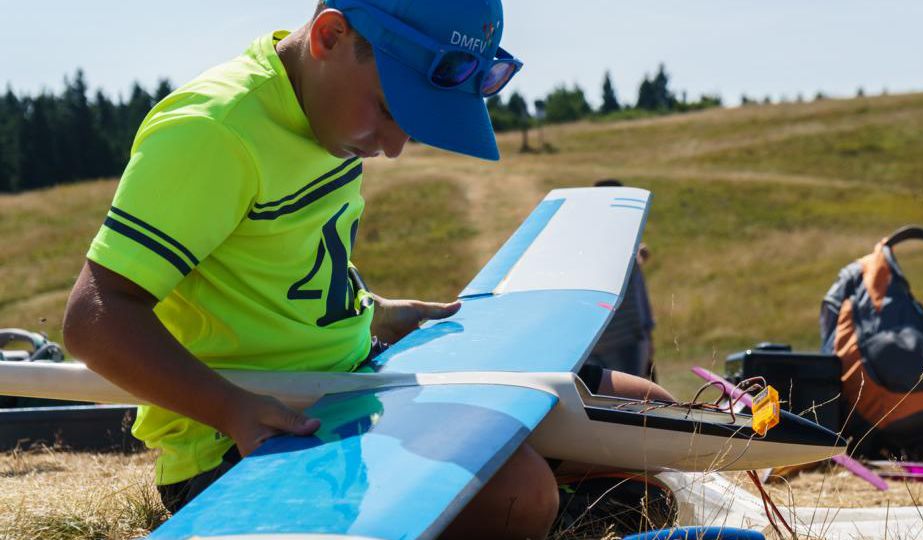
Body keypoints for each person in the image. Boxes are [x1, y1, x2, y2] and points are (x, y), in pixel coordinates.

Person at [60, 2, 669, 538]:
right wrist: (230, 408)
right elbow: (93, 319)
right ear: (331, 36)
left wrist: (375, 313)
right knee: (521, 496)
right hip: (246, 437)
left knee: (647, 412)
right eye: (388, 109)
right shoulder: (213, 132)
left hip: (354, 384)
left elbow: (281, 269)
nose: (395, 146)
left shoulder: (330, 115)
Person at [586, 179, 658, 381]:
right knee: (630, 395)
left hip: (593, 339)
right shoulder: (621, 238)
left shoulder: (585, 237)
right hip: (625, 338)